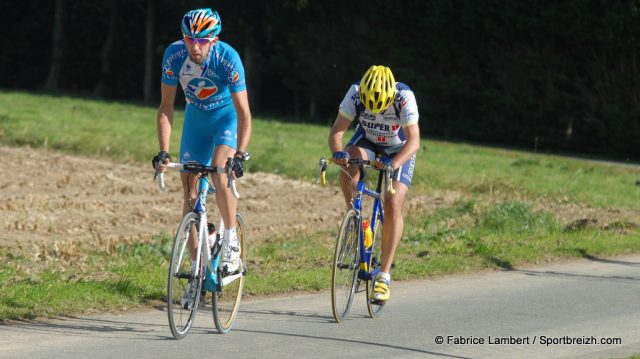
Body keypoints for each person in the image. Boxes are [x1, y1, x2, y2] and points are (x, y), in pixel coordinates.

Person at [153, 8, 252, 303]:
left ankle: (231, 240)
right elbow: (165, 108)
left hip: (226, 121)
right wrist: (163, 151)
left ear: (214, 40)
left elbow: (244, 113)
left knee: (220, 172)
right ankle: (197, 275)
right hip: (196, 123)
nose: (194, 47)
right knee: (190, 196)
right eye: (189, 39)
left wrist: (240, 155)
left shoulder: (228, 58)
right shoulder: (173, 56)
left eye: (202, 41)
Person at [328, 65, 420, 302]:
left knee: (392, 202)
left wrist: (393, 163)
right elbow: (336, 132)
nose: (375, 111)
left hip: (399, 149)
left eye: (380, 107)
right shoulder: (356, 92)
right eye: (370, 107)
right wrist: (339, 153)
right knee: (348, 164)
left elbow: (414, 142)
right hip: (367, 142)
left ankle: (384, 276)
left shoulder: (404, 97)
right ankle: (357, 219)